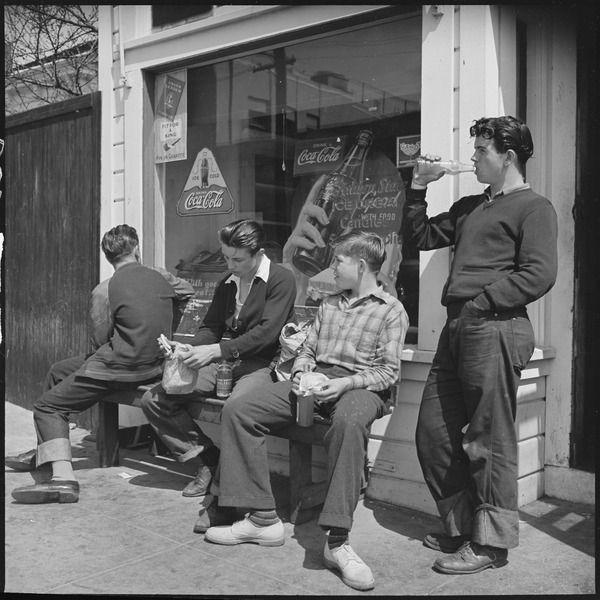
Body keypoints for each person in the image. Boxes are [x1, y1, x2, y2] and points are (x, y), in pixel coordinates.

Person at [200, 230, 409, 592]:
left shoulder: (391, 311)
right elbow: (307, 349)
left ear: (360, 266)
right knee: (240, 408)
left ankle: (337, 542)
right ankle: (263, 517)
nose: (332, 267)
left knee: (348, 420)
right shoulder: (329, 304)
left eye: (338, 261)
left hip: (361, 387)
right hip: (316, 382)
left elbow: (388, 372)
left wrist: (344, 384)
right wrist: (301, 372)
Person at [404, 116, 558, 574]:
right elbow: (419, 237)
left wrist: (480, 303)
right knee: (433, 430)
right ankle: (462, 526)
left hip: (496, 325)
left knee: (489, 439)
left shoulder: (534, 208)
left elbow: (539, 273)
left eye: (481, 151)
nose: (472, 158)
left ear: (508, 156)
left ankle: (491, 546)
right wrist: (417, 188)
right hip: (459, 328)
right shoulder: (472, 206)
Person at [6, 224, 194, 503]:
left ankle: (63, 479)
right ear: (137, 249)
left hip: (120, 368)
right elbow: (187, 289)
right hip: (154, 364)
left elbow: (99, 340)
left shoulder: (105, 290)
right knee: (58, 371)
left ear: (108, 258)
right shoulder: (161, 275)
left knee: (47, 406)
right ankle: (47, 452)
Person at [139, 219, 297, 498]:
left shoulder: (280, 278)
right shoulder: (227, 282)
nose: (230, 264)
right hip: (227, 362)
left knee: (237, 409)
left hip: (262, 365)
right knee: (157, 398)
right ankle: (208, 462)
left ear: (259, 254)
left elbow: (266, 334)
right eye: (226, 256)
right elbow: (211, 327)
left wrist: (216, 352)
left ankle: (233, 495)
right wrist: (190, 349)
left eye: (237, 259)